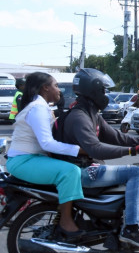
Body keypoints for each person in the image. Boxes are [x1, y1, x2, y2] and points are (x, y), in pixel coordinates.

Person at [56, 68, 139, 249]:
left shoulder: (91, 113)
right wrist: (133, 151)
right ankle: (132, 229)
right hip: (83, 171)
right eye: (103, 91)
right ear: (93, 91)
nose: (106, 95)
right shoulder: (80, 116)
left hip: (89, 167)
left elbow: (117, 137)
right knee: (135, 172)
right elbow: (95, 148)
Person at [5, 72, 85, 238]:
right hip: (24, 160)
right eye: (56, 86)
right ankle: (66, 221)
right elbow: (47, 143)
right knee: (70, 172)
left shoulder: (41, 106)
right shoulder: (38, 108)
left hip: (31, 158)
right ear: (45, 88)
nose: (58, 90)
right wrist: (78, 149)